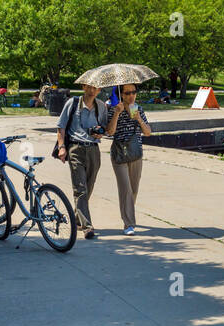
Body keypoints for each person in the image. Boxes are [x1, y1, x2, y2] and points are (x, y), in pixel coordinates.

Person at [56, 83, 110, 238]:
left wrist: (100, 133)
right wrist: (61, 147)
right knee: (80, 189)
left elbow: (104, 128)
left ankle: (77, 219)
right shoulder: (72, 103)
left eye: (96, 88)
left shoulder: (101, 106)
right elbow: (61, 127)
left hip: (94, 149)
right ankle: (87, 226)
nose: (93, 91)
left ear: (100, 90)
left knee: (89, 186)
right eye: (90, 87)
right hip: (75, 148)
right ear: (84, 87)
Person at [107, 83, 152, 236]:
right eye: (127, 93)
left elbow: (148, 133)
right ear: (121, 95)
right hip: (119, 154)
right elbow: (110, 132)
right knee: (125, 188)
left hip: (135, 153)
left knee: (133, 189)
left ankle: (128, 214)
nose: (131, 96)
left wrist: (139, 119)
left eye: (134, 92)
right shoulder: (113, 110)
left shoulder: (138, 109)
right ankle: (128, 224)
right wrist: (117, 114)